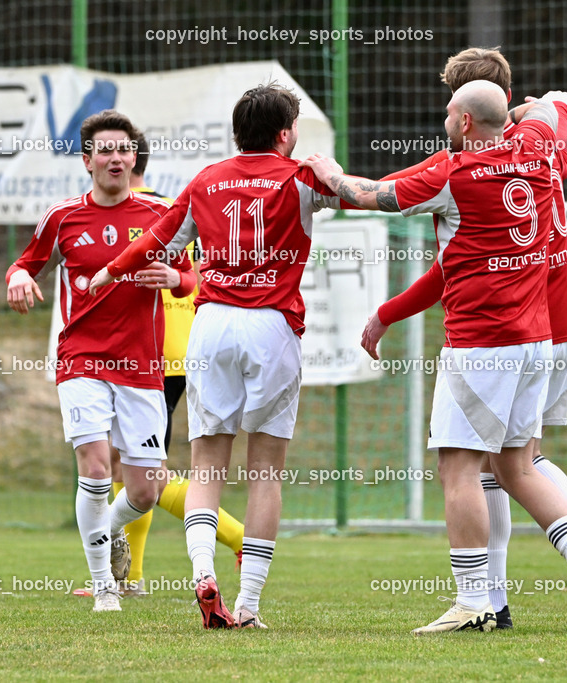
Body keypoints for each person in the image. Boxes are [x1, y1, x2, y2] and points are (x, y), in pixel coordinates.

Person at [303, 82, 567, 634]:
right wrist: (554, 105)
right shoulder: (540, 148)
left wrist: (327, 171)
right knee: (518, 465)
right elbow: (552, 108)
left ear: (466, 122)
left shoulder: (452, 174)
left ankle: (475, 602)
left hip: (482, 343)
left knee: (458, 468)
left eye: (451, 111)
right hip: (536, 339)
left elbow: (370, 194)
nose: (445, 118)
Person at [90, 83, 343, 629]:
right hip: (272, 327)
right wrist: (335, 174)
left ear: (235, 133)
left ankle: (203, 573)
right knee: (266, 469)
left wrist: (107, 271)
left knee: (206, 463)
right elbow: (371, 196)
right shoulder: (301, 177)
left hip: (212, 326)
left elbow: (153, 242)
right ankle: (248, 604)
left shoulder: (206, 180)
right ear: (285, 134)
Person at [6, 110, 196, 612]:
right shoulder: (63, 217)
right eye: (105, 150)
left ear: (134, 158)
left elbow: (192, 279)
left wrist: (175, 281)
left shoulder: (161, 217)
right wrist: (19, 278)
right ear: (87, 160)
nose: (116, 157)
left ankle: (108, 532)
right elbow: (26, 263)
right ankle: (104, 588)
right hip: (82, 359)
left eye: (124, 149)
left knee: (146, 490)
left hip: (141, 368)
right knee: (93, 468)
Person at [103, 134, 246, 596]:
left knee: (140, 470)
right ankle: (131, 577)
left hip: (147, 355)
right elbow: (205, 273)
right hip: (187, 347)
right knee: (132, 465)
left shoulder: (123, 216)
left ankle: (237, 538)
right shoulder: (179, 207)